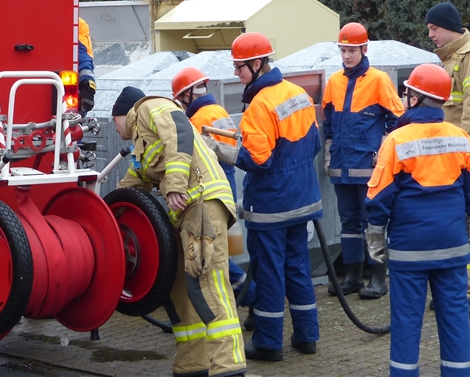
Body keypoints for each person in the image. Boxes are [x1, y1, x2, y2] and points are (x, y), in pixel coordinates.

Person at [112, 86, 247, 377]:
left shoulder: (150, 107)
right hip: (187, 211)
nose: (115, 128)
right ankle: (193, 364)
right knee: (180, 288)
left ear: (122, 114)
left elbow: (179, 133)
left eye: (114, 121)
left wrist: (174, 183)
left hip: (202, 203)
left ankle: (229, 366)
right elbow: (130, 189)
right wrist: (104, 217)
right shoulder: (142, 144)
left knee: (209, 284)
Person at [365, 63, 470, 377]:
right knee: (455, 320)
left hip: (409, 251)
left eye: (406, 93)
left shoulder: (396, 140)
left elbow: (379, 197)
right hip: (452, 248)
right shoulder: (461, 137)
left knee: (406, 323)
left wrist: (375, 244)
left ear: (415, 98)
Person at [230, 32, 322, 362]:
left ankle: (269, 343)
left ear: (257, 64)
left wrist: (227, 152)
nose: (236, 73)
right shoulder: (298, 94)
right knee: (298, 269)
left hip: (271, 206)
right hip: (303, 199)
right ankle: (307, 337)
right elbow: (314, 144)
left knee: (269, 274)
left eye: (239, 67)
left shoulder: (259, 106)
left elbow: (259, 160)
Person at [171, 66, 257, 330]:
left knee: (213, 254)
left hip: (210, 190)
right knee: (219, 252)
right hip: (225, 185)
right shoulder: (217, 110)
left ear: (186, 95)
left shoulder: (196, 120)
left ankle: (254, 296)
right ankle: (255, 301)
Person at [322, 22, 404, 299]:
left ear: (364, 49)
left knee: (373, 221)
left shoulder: (379, 80)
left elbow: (397, 120)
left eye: (352, 51)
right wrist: (330, 153)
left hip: (369, 167)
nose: (347, 56)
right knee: (349, 222)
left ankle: (378, 278)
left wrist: (383, 151)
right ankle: (353, 277)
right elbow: (328, 123)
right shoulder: (334, 81)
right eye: (343, 50)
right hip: (342, 166)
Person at [426, 1, 470, 318]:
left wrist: (465, 152)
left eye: (434, 28)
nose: (431, 35)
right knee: (465, 222)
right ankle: (463, 290)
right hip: (459, 156)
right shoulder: (451, 59)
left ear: (449, 27)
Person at [77, 0, 96, 115]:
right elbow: (84, 58)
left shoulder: (78, 25)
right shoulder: (77, 24)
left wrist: (88, 86)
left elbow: (83, 58)